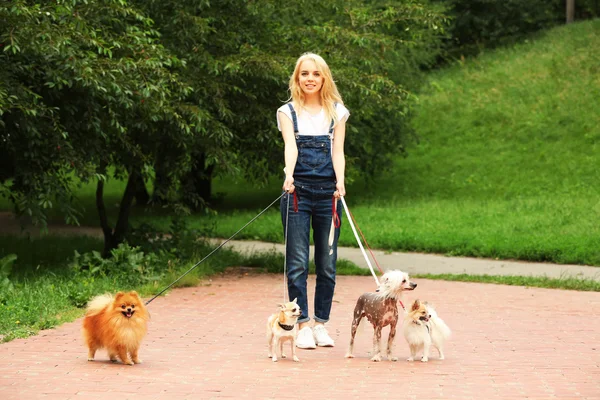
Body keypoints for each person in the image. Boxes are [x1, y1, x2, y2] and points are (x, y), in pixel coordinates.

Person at [277, 53, 350, 349]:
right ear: (297, 78)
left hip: (328, 195)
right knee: (296, 264)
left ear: (324, 78)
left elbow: (338, 152)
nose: (310, 78)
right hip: (298, 194)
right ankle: (303, 324)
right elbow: (290, 148)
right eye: (304, 73)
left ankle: (321, 323)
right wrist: (289, 176)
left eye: (315, 74)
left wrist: (341, 182)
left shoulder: (337, 112)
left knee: (327, 264)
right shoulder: (287, 112)